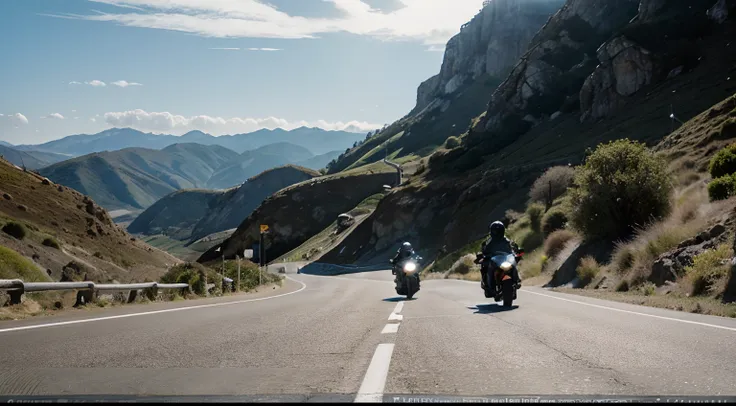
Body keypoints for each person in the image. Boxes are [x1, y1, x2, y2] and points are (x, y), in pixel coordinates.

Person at [480, 221, 522, 294]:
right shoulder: (489, 241)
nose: (497, 233)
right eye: (495, 231)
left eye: (499, 231)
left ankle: (517, 280)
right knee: (486, 266)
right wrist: (484, 254)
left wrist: (516, 252)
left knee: (513, 265)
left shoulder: (507, 240)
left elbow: (513, 248)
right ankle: (488, 284)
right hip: (494, 259)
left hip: (505, 258)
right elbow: (484, 249)